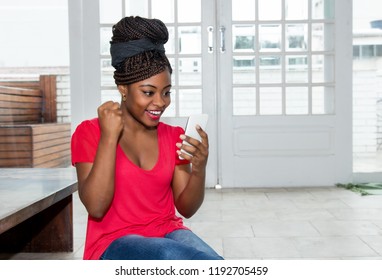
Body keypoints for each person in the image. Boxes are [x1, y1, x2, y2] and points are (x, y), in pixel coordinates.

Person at [71, 16, 223, 260]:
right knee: (169, 254)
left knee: (210, 260)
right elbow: (96, 207)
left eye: (166, 92)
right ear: (123, 88)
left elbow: (187, 209)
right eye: (148, 92)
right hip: (113, 242)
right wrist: (109, 137)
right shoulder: (90, 132)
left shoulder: (174, 136)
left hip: (168, 230)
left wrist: (199, 168)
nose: (160, 102)